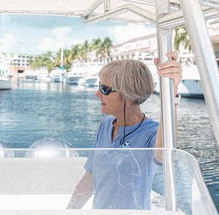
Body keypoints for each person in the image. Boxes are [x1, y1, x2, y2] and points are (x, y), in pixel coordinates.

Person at [67, 51, 182, 210]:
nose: (97, 94)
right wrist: (69, 211)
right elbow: (90, 179)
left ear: (128, 96)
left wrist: (172, 90)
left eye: (104, 89)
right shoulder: (106, 125)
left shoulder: (151, 133)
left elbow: (164, 155)